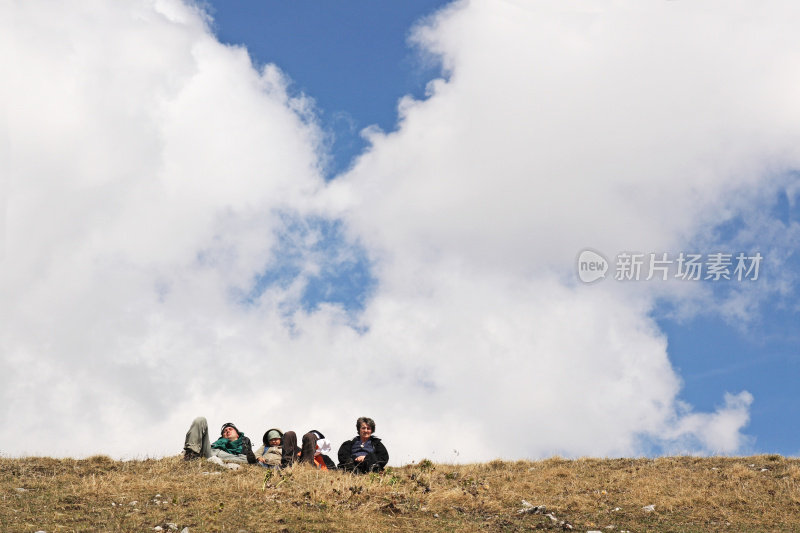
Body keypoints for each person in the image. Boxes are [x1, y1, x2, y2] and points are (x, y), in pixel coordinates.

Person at [183, 416, 257, 465]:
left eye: (230, 429)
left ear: (237, 434)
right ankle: (191, 453)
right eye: (225, 431)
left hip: (230, 457)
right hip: (210, 453)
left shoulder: (244, 442)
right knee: (200, 420)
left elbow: (247, 457)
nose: (227, 431)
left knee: (248, 460)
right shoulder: (218, 443)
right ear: (222, 436)